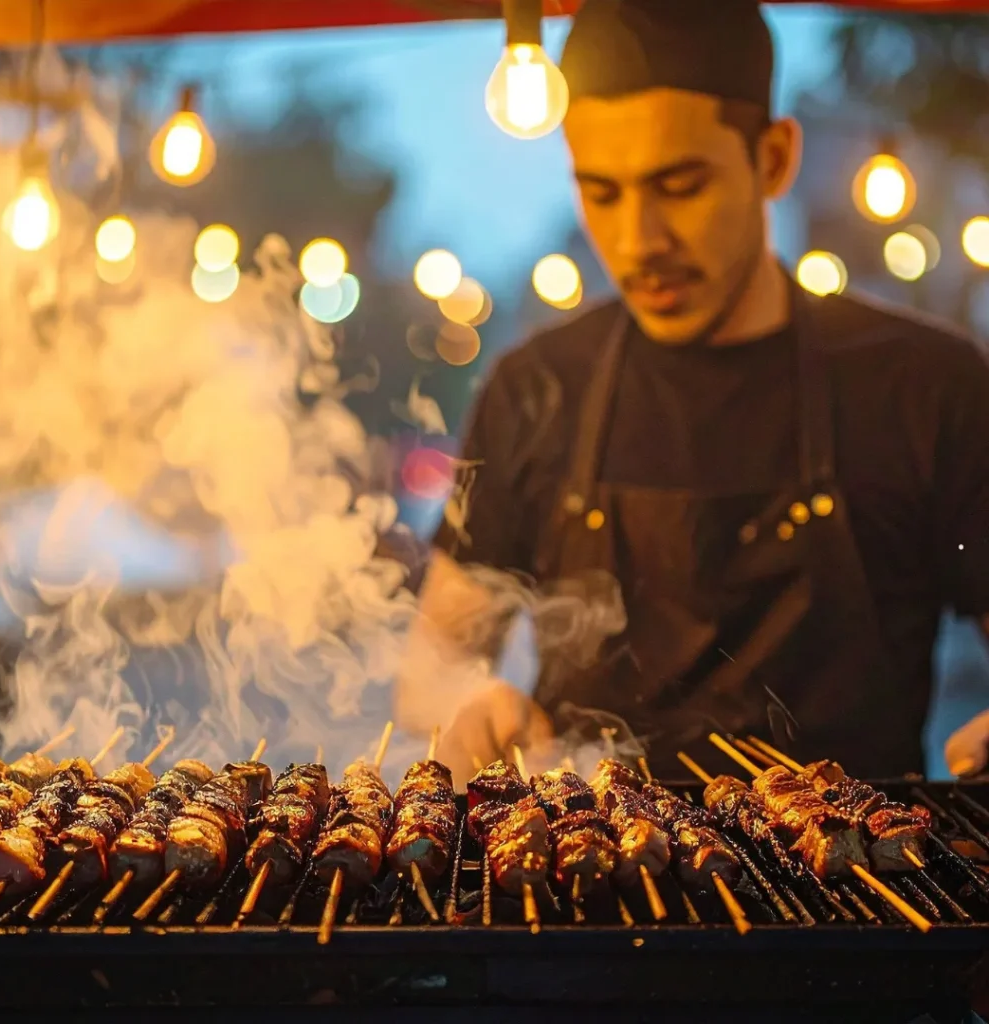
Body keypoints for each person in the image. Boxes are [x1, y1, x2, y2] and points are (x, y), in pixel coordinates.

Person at [395, 0, 989, 783]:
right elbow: (433, 668)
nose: (639, 240)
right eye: (602, 192)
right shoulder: (534, 388)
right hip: (583, 888)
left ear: (773, 160)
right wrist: (468, 702)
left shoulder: (927, 386)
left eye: (680, 186)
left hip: (858, 891)